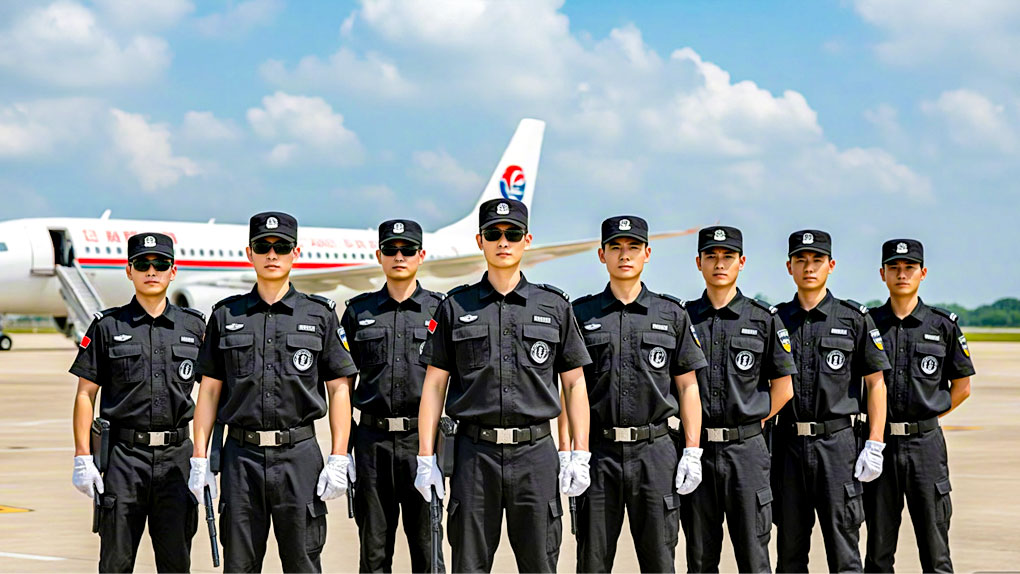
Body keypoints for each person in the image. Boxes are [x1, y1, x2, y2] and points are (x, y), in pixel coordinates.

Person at [413, 198, 592, 573]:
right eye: (494, 234)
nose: (503, 241)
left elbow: (574, 384)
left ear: (527, 240)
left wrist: (579, 452)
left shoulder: (554, 306)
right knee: (469, 563)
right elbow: (434, 386)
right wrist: (426, 456)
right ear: (480, 241)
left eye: (512, 234)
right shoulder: (455, 306)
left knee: (540, 563)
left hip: (536, 454)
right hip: (474, 456)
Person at [188, 212, 358, 572]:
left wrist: (339, 456)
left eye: (281, 246)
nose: (272, 254)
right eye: (263, 247)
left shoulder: (320, 315)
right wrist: (200, 459)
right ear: (249, 253)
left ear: (295, 252)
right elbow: (209, 393)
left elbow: (339, 389)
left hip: (299, 457)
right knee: (239, 564)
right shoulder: (225, 316)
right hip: (241, 459)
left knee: (303, 562)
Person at [569, 215, 707, 572]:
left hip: (655, 452)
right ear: (602, 255)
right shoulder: (580, 314)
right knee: (592, 560)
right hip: (599, 453)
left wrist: (692, 450)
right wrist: (573, 453)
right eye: (615, 247)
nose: (624, 255)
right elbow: (571, 388)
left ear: (647, 253)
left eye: (633, 247)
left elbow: (688, 385)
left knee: (660, 559)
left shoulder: (671, 313)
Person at [70, 232, 206, 572]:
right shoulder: (107, 326)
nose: (151, 271)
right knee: (115, 561)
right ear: (129, 271)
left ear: (173, 271)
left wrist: (207, 457)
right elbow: (85, 394)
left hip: (177, 459)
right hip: (123, 460)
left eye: (160, 264)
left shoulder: (194, 327)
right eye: (142, 264)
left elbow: (213, 393)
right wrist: (82, 456)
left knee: (176, 562)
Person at [680, 225, 797, 573]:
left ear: (741, 262)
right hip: (697, 450)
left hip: (746, 452)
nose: (720, 264)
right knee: (700, 557)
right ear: (698, 262)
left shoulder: (763, 319)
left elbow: (784, 387)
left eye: (728, 256)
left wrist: (752, 420)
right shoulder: (683, 318)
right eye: (711, 256)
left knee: (753, 555)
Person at [773, 230, 890, 572]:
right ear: (789, 267)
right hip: (788, 446)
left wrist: (875, 442)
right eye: (801, 260)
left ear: (831, 265)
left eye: (817, 260)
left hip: (837, 446)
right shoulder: (775, 320)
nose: (809, 267)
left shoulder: (854, 319)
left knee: (844, 550)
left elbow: (876, 383)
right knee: (790, 550)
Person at [341, 219, 447, 572]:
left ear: (421, 255)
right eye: (391, 250)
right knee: (373, 551)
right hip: (372, 442)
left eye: (407, 250)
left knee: (428, 548)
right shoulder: (358, 312)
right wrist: (344, 450)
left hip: (423, 442)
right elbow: (343, 385)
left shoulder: (440, 310)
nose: (399, 257)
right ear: (379, 256)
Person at [864, 239, 975, 573]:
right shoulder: (868, 325)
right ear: (882, 273)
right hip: (880, 444)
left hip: (926, 447)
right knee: (878, 549)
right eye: (894, 268)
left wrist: (925, 416)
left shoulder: (942, 326)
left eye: (909, 267)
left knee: (935, 547)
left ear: (923, 273)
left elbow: (962, 388)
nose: (902, 274)